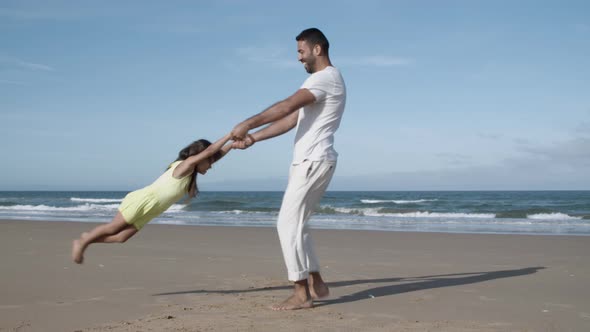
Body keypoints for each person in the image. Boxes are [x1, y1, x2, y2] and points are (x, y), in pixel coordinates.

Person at [231, 28, 346, 310]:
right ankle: (316, 281)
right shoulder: (322, 82)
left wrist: (248, 122)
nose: (298, 58)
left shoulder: (324, 79)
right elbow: (291, 118)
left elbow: (285, 106)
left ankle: (301, 293)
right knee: (299, 226)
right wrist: (253, 138)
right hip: (313, 161)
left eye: (300, 51)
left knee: (286, 224)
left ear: (317, 49)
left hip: (313, 161)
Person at [71, 133, 233, 264]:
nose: (211, 166)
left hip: (152, 209)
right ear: (199, 157)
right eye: (209, 162)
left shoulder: (191, 172)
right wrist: (230, 135)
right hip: (143, 201)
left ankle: (88, 238)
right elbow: (209, 152)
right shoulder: (184, 167)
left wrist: (232, 145)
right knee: (113, 228)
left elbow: (211, 155)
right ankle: (82, 243)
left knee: (121, 238)